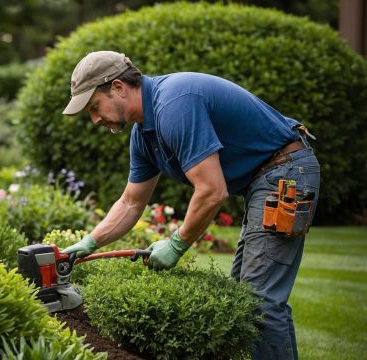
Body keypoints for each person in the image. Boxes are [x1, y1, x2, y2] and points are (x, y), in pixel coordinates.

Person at [61, 50, 320, 360]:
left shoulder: (174, 104)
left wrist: (176, 244)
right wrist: (89, 242)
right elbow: (131, 202)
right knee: (244, 296)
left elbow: (212, 191)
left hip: (286, 171)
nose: (95, 119)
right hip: (264, 179)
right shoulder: (144, 135)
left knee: (260, 301)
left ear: (118, 87)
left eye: (94, 107)